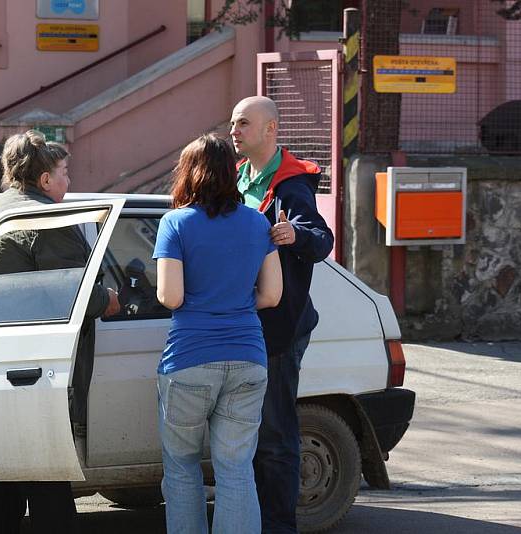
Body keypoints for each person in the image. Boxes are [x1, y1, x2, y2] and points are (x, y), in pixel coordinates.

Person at [0, 130, 120, 534]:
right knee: (47, 485)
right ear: (44, 180)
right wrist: (106, 299)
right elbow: (74, 295)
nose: (69, 183)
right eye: (65, 173)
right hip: (31, 368)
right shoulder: (48, 218)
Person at [153, 133, 283, 534]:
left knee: (181, 467)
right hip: (248, 356)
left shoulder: (175, 222)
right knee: (236, 468)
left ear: (188, 174)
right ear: (231, 173)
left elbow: (170, 296)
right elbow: (273, 295)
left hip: (189, 360)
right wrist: (234, 301)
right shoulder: (257, 222)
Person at [230, 96, 334, 534]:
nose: (234, 131)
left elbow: (321, 239)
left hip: (278, 327)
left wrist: (294, 233)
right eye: (233, 123)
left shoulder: (291, 184)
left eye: (243, 123)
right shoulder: (238, 176)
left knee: (274, 434)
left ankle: (278, 525)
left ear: (271, 129)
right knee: (248, 434)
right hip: (244, 321)